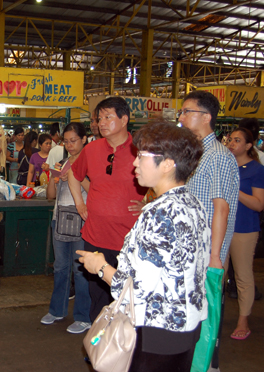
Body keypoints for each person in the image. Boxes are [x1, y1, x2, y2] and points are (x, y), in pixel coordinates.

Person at [78, 120, 210, 371]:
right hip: (187, 323)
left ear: (169, 164)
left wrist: (100, 267)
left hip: (156, 330)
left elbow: (138, 289)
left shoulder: (158, 213)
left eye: (142, 156)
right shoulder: (193, 203)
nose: (135, 163)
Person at [67, 96, 148, 321]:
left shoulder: (140, 149)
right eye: (99, 118)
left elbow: (166, 179)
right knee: (99, 296)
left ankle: (123, 349)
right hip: (96, 235)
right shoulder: (92, 149)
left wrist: (149, 204)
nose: (101, 123)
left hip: (129, 238)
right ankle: (99, 349)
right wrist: (80, 203)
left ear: (124, 119)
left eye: (107, 117)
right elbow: (74, 175)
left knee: (128, 297)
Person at [180, 90, 239, 372]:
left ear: (206, 117)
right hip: (190, 248)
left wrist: (215, 255)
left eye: (186, 111)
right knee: (194, 315)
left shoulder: (217, 155)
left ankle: (208, 367)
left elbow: (221, 208)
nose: (181, 117)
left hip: (206, 252)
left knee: (207, 316)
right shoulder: (196, 153)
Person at [42, 122, 91, 334]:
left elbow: (95, 191)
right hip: (59, 219)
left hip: (82, 220)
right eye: (66, 141)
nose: (70, 145)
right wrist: (54, 180)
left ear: (84, 139)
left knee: (80, 270)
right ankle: (57, 310)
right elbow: (50, 196)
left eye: (74, 141)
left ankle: (83, 316)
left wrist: (76, 178)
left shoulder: (91, 164)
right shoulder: (61, 163)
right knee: (61, 267)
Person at [225, 127, 264, 340]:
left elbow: (259, 204)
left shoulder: (256, 170)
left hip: (244, 229)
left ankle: (243, 320)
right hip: (221, 226)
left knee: (243, 276)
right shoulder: (226, 165)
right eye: (230, 139)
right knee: (217, 274)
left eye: (237, 140)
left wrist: (235, 189)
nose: (231, 144)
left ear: (248, 146)